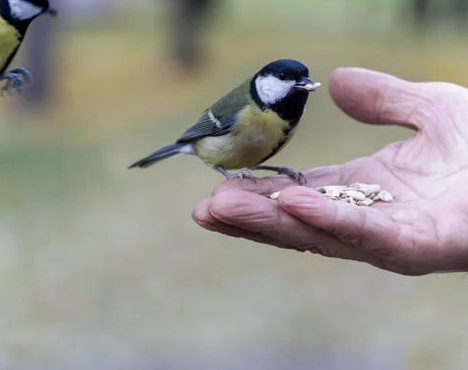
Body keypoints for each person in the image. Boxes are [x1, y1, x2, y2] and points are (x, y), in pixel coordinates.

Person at [193, 67, 468, 276]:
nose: (298, 83)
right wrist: (230, 174)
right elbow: (208, 133)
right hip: (212, 147)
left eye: (302, 77)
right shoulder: (243, 108)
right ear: (263, 82)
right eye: (285, 78)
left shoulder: (284, 113)